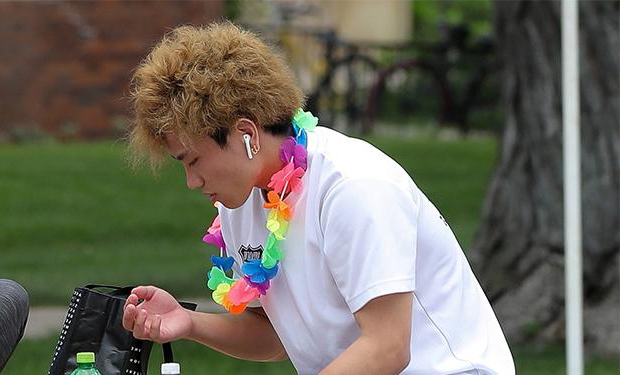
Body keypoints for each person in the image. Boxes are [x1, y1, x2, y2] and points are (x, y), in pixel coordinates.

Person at [119, 22, 514, 374]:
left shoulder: (355, 186)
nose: (191, 181)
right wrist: (189, 323)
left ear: (246, 134)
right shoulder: (239, 202)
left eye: (193, 161)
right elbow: (276, 339)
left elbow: (388, 347)